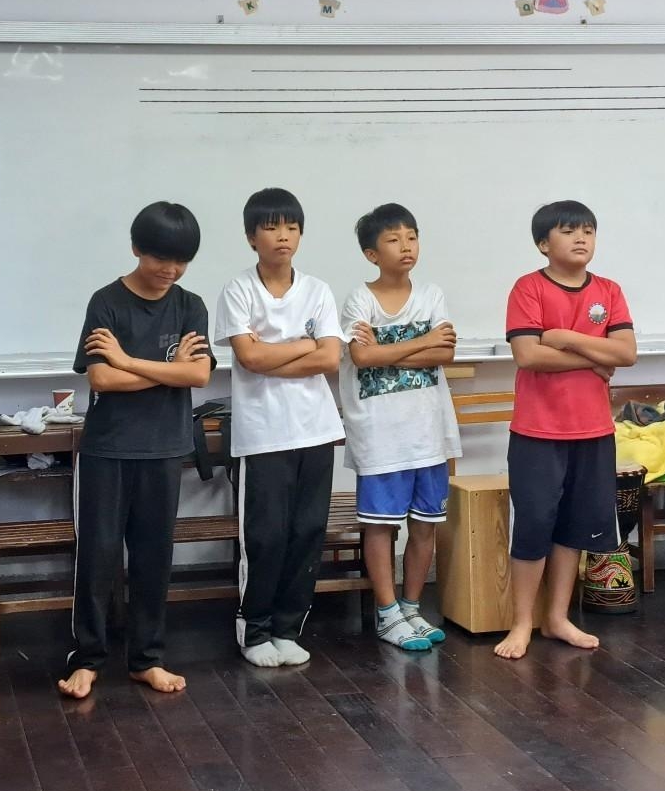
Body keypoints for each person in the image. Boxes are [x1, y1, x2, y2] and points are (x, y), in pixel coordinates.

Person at [59, 202, 215, 699]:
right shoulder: (106, 302)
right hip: (108, 449)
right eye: (160, 258)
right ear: (135, 249)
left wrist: (127, 360)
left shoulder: (190, 306)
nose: (170, 269)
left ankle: (146, 659)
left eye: (181, 260)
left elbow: (198, 374)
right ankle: (87, 659)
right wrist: (164, 371)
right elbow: (101, 379)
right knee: (98, 555)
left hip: (165, 448)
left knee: (153, 558)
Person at [497, 200, 637, 660]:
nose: (581, 239)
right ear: (543, 243)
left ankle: (556, 619)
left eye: (588, 231)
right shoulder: (528, 288)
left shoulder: (609, 290)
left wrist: (565, 339)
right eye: (568, 231)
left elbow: (626, 353)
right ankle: (522, 622)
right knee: (535, 523)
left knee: (575, 527)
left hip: (593, 431)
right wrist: (595, 358)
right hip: (538, 432)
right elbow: (528, 356)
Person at [214, 188, 344, 668]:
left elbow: (330, 359)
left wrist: (276, 353)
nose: (282, 236)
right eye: (271, 227)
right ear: (252, 237)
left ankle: (288, 628)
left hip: (316, 430)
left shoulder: (318, 290)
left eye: (291, 227)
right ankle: (255, 631)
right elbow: (249, 358)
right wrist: (304, 344)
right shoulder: (238, 290)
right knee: (265, 536)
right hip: (263, 434)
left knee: (307, 532)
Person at [339, 204, 461, 651]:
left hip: (428, 433)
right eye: (393, 239)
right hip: (380, 435)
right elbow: (363, 356)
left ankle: (411, 608)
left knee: (425, 524)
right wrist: (422, 342)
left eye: (412, 236)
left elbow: (444, 353)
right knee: (381, 526)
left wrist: (393, 352)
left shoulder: (431, 294)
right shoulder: (360, 299)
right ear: (372, 254)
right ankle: (387, 613)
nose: (406, 246)